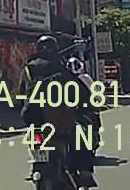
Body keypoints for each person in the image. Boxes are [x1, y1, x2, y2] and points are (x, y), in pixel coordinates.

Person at [19, 36, 97, 189]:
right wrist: (87, 106)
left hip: (33, 118)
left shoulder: (28, 69)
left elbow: (21, 94)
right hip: (59, 118)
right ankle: (84, 173)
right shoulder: (58, 66)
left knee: (35, 139)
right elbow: (79, 90)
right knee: (82, 134)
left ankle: (36, 167)